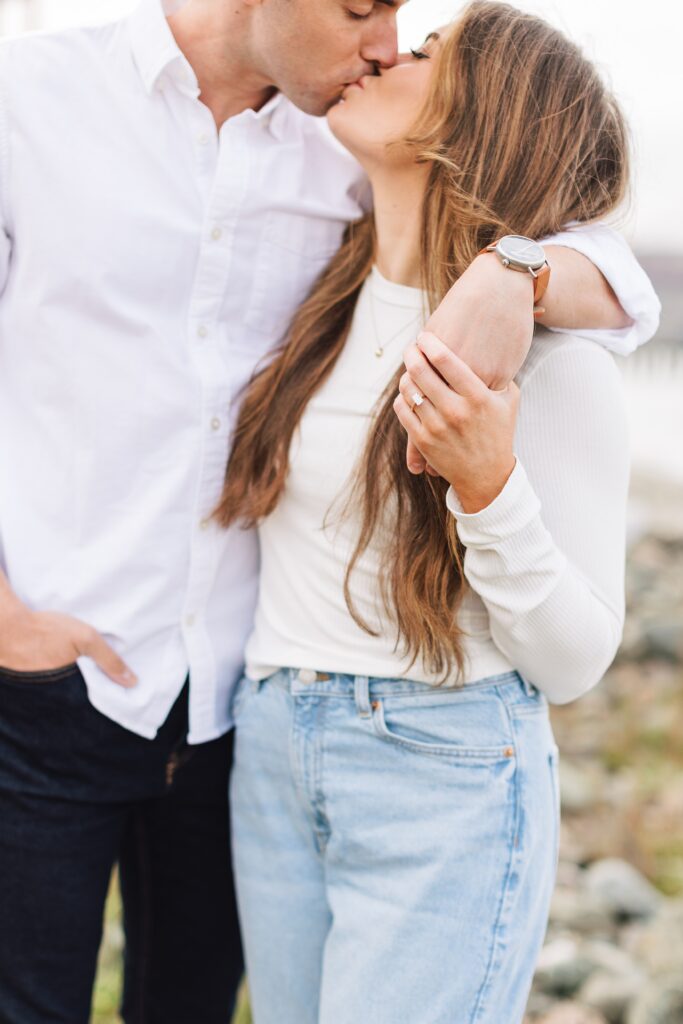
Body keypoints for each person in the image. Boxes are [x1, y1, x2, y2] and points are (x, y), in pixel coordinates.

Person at [0, 0, 658, 1021]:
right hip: (162, 721)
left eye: (414, 33)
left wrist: (513, 282)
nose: (389, 44)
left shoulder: (369, 169)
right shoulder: (40, 105)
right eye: (365, 11)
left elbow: (597, 252)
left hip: (327, 736)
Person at [219, 4, 646, 1022]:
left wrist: (485, 486)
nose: (383, 51)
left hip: (440, 767)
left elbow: (577, 659)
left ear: (482, 118)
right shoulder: (321, 294)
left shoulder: (551, 368)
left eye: (424, 55)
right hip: (274, 745)